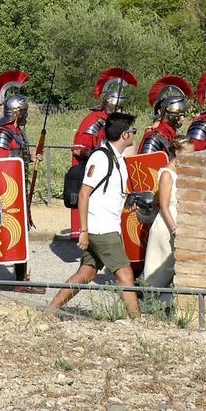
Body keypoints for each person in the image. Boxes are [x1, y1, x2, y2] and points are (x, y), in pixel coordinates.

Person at [48, 112, 141, 319]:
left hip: (105, 224)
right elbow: (84, 193)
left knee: (87, 273)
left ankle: (52, 309)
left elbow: (108, 193)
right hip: (102, 228)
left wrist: (128, 204)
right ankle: (138, 321)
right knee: (125, 274)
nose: (135, 134)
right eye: (133, 131)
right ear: (125, 135)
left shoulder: (117, 158)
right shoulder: (100, 158)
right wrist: (84, 231)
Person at [0, 78, 43, 293]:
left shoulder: (18, 132)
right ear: (16, 112)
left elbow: (17, 159)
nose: (26, 115)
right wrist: (22, 158)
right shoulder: (2, 133)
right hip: (2, 191)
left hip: (16, 189)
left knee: (20, 232)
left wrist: (31, 157)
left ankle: (21, 282)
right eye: (24, 111)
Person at [68, 68, 136, 236]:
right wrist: (99, 156)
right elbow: (79, 151)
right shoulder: (93, 121)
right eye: (118, 108)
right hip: (91, 172)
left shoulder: (112, 122)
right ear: (110, 105)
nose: (120, 112)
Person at [141, 134, 190, 295]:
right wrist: (174, 228)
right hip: (167, 224)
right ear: (177, 152)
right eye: (188, 153)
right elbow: (164, 205)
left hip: (179, 218)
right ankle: (151, 302)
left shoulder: (184, 171)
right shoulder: (167, 174)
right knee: (160, 266)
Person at [139, 75, 191, 159]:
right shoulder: (154, 139)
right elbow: (146, 167)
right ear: (170, 115)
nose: (183, 119)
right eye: (180, 115)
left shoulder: (171, 135)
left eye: (184, 115)